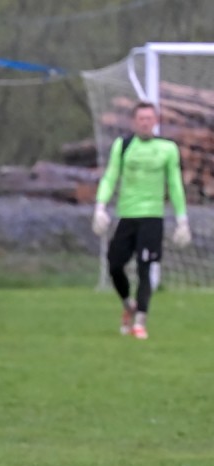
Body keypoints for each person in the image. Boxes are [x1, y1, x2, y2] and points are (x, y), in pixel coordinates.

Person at [92, 101, 191, 340]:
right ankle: (129, 305)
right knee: (115, 264)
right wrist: (100, 207)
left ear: (155, 121)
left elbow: (175, 185)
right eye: (141, 119)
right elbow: (110, 177)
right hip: (127, 216)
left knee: (145, 268)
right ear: (134, 122)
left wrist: (182, 220)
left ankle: (140, 321)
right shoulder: (123, 146)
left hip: (152, 218)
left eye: (149, 118)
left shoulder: (167, 148)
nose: (145, 123)